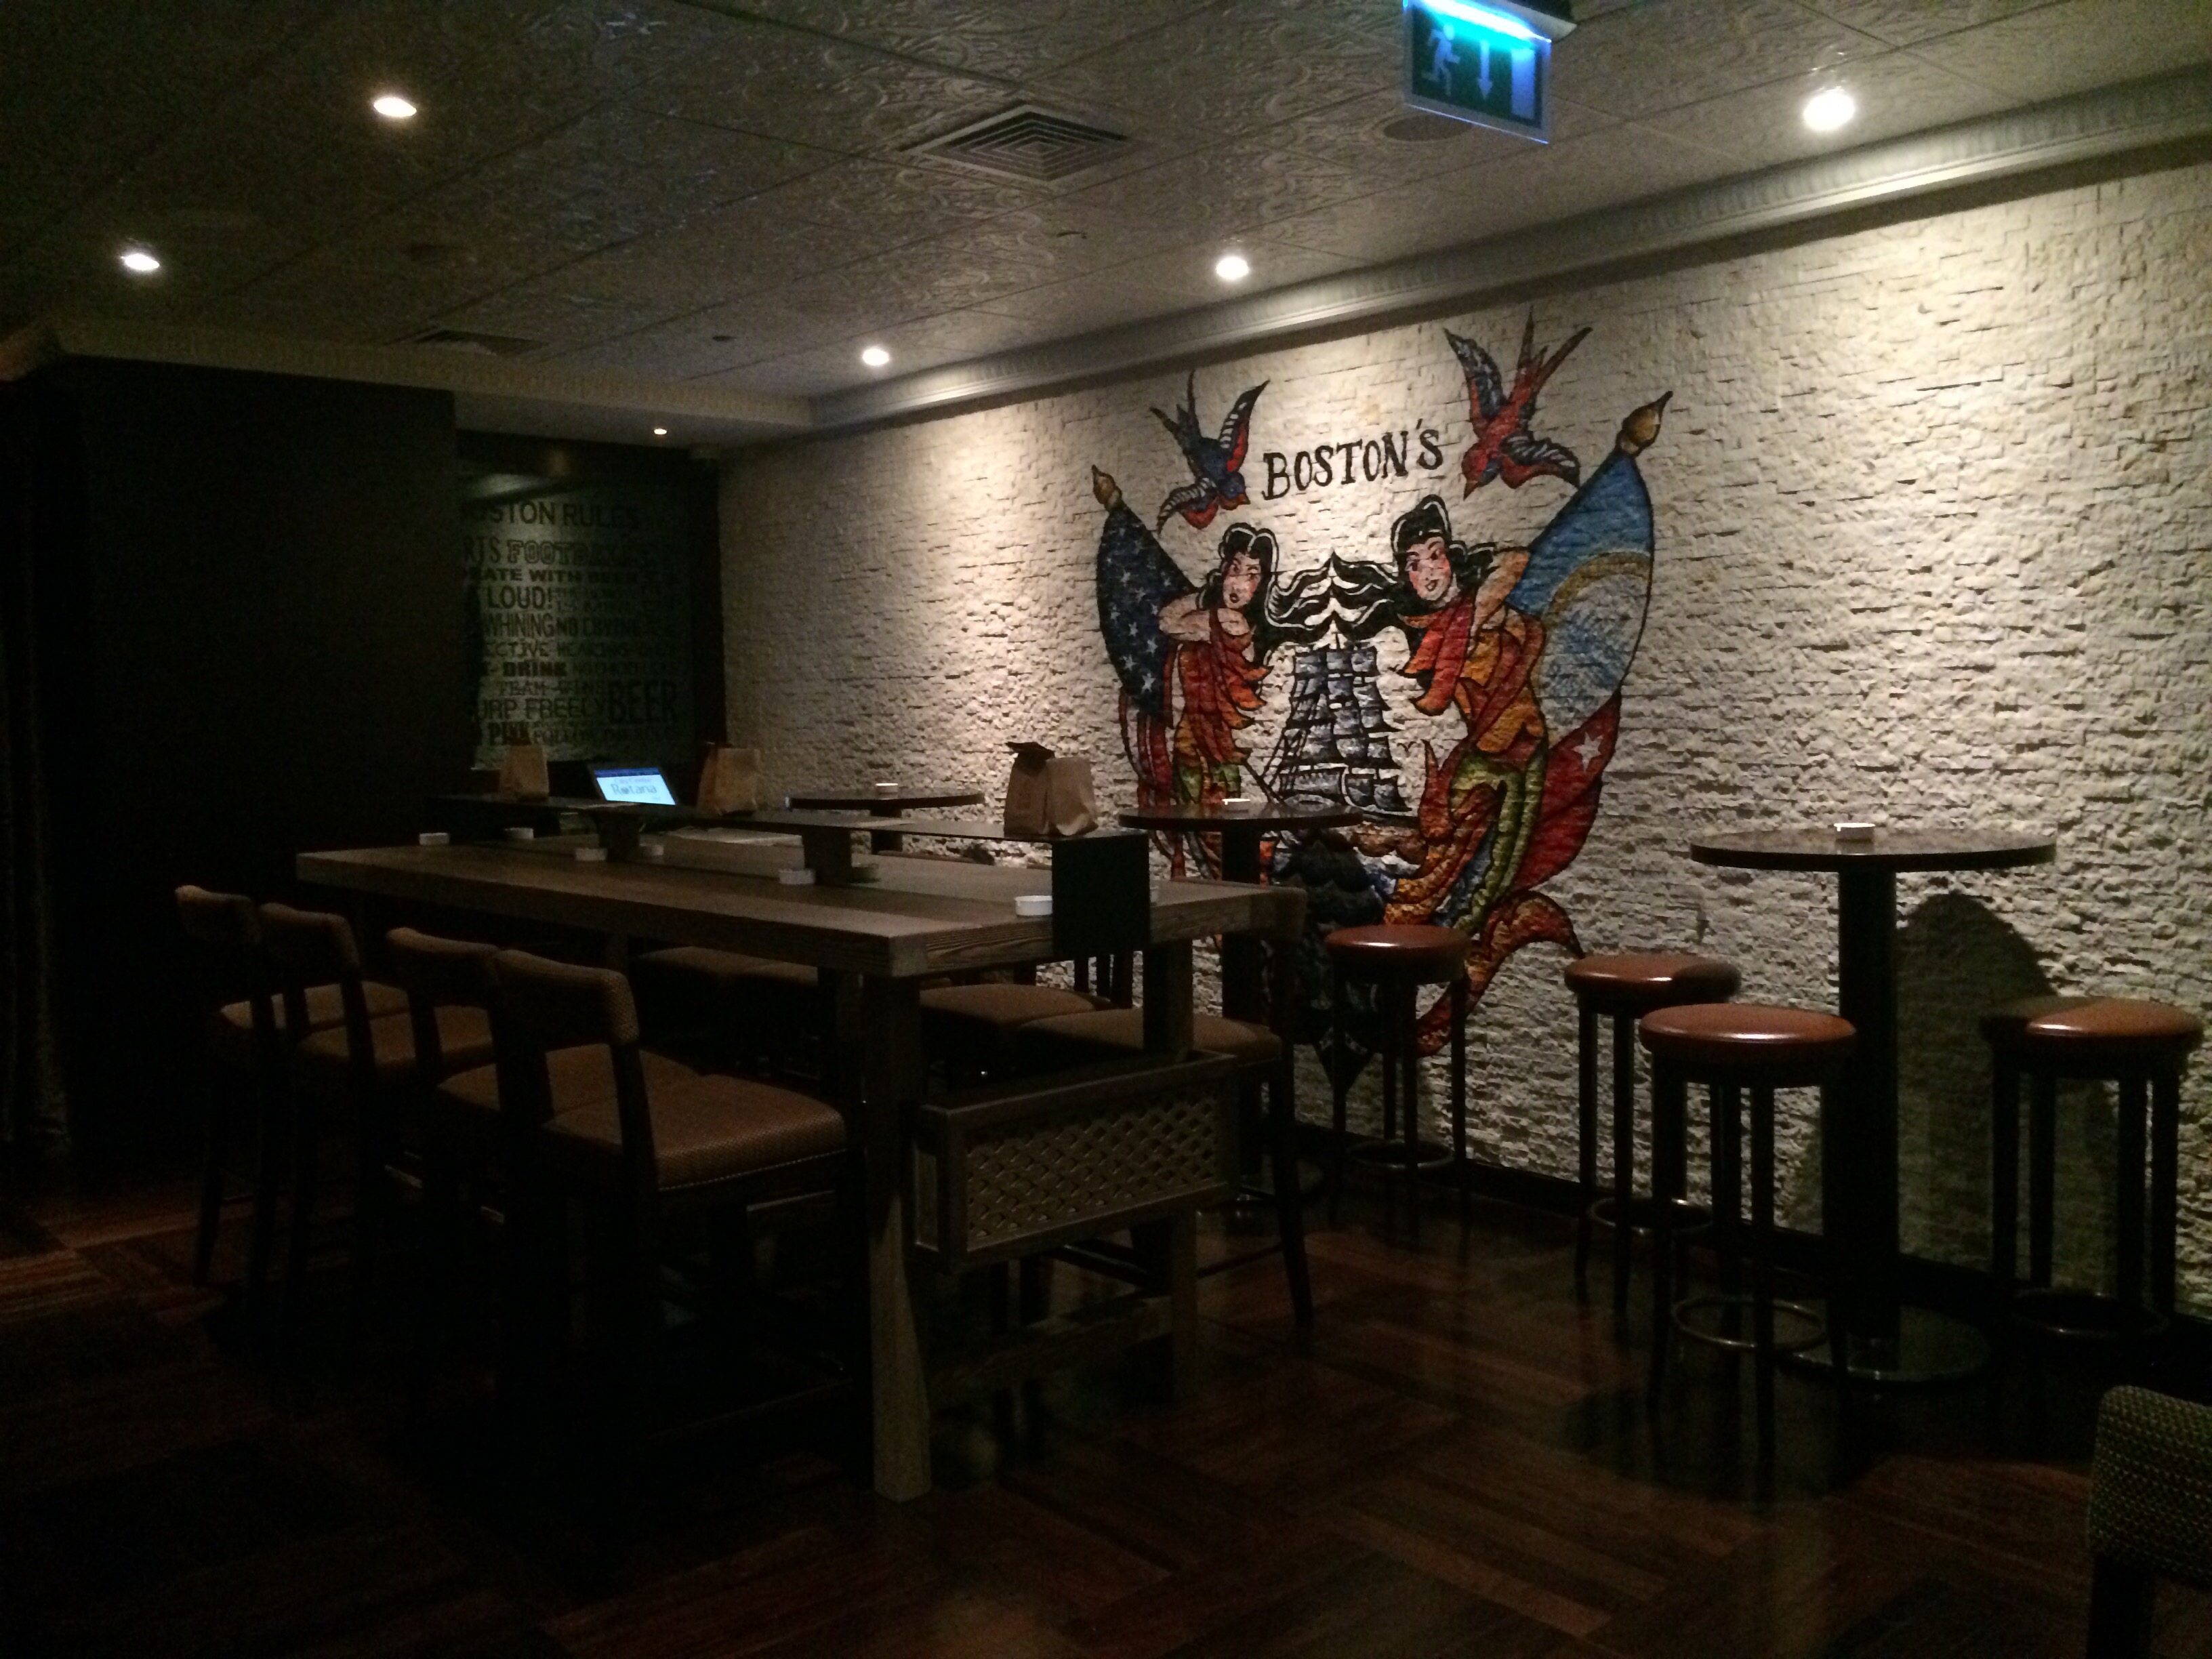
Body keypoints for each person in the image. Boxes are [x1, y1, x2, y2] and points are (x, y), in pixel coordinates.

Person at [1382, 495, 1547, 926]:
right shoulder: (1432, 632)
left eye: (1435, 556)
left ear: (1451, 558)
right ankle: (1431, 924)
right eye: (1413, 564)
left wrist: (1470, 620)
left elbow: (1516, 559)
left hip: (1523, 746)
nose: (1427, 572)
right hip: (1485, 753)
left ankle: (1458, 928)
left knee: (1502, 863)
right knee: (1450, 843)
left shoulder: (1480, 608)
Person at [1155, 522, 1277, 811]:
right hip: (1192, 724)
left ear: (1261, 586)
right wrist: (1205, 597)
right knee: (1189, 761)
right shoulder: (1215, 616)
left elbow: (1172, 622)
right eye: (1234, 570)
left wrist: (1206, 606)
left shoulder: (1235, 624)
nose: (1238, 584)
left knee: (1216, 776)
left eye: (1252, 576)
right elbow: (1167, 621)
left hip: (1214, 728)